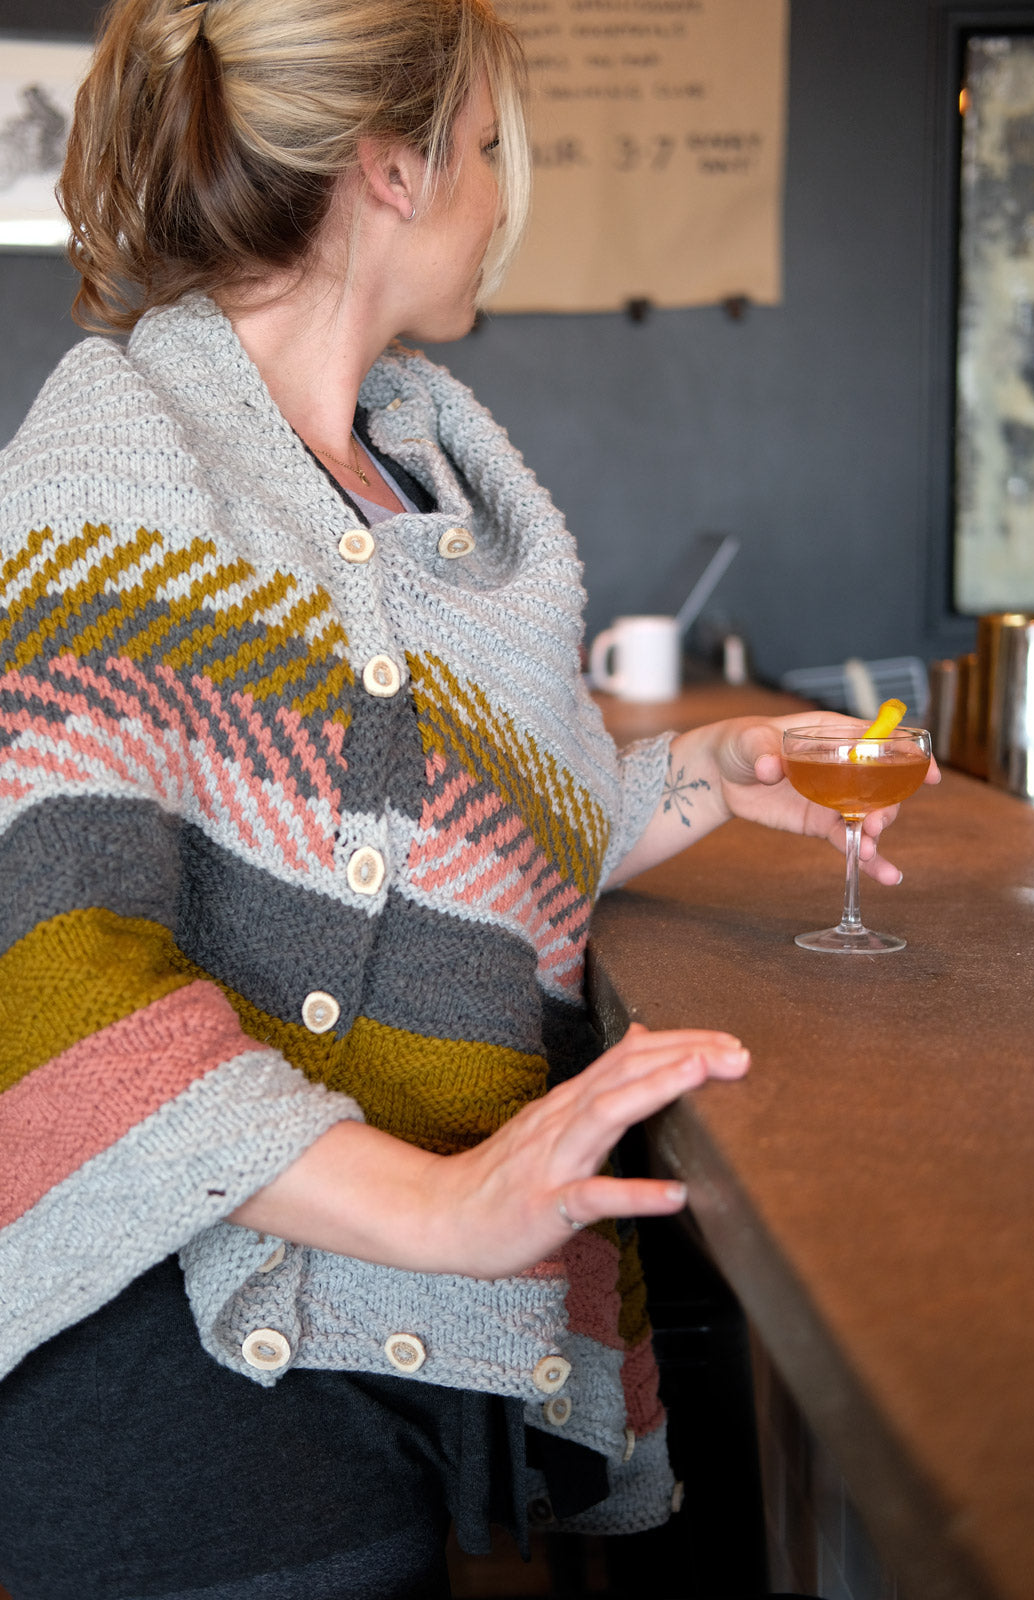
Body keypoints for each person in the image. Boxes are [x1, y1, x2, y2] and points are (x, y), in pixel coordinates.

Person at [0, 1, 930, 1595]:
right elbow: (45, 970)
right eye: (491, 151)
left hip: (393, 1359)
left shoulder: (420, 469)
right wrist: (436, 1211)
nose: (502, 200)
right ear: (392, 169)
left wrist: (699, 777)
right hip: (191, 1389)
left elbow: (457, 832)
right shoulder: (119, 458)